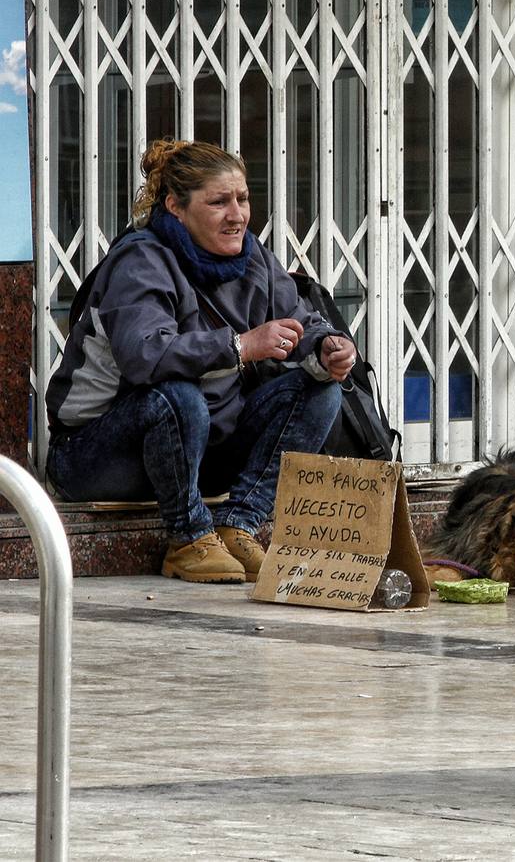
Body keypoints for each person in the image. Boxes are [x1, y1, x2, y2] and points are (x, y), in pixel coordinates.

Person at [45, 139, 355, 585]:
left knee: (319, 388)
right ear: (175, 206)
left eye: (243, 199)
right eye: (219, 202)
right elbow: (145, 357)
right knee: (177, 394)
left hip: (202, 449)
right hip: (93, 457)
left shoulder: (254, 259)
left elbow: (303, 321)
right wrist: (241, 346)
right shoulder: (141, 260)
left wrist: (329, 346)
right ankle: (188, 538)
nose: (237, 214)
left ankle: (238, 525)